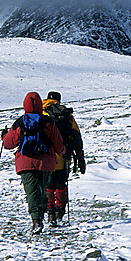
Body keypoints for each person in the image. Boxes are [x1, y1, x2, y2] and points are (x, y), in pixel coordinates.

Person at [1, 91, 65, 234]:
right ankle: (41, 218)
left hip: (25, 163)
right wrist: (62, 153)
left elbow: (8, 143)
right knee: (43, 190)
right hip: (46, 163)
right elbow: (58, 143)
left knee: (32, 192)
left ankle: (36, 221)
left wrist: (4, 136)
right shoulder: (48, 122)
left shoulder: (20, 122)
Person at [41, 91, 85, 225]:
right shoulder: (66, 115)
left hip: (46, 158)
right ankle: (60, 211)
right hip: (64, 156)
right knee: (61, 185)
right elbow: (76, 135)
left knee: (48, 186)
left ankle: (50, 214)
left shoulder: (41, 113)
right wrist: (80, 156)